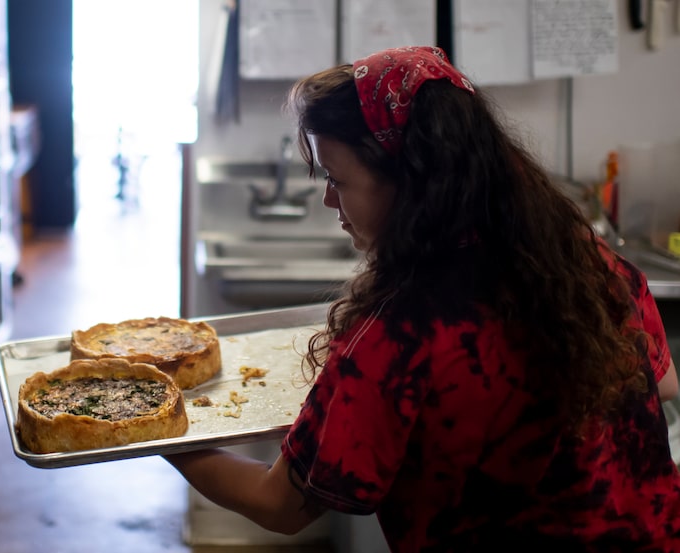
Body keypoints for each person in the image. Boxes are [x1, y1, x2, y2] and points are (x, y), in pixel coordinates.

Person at [163, 46, 680, 551]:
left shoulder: (399, 335)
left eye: (338, 179)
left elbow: (280, 505)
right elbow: (667, 384)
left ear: (412, 184)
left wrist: (161, 432)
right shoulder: (589, 263)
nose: (328, 199)